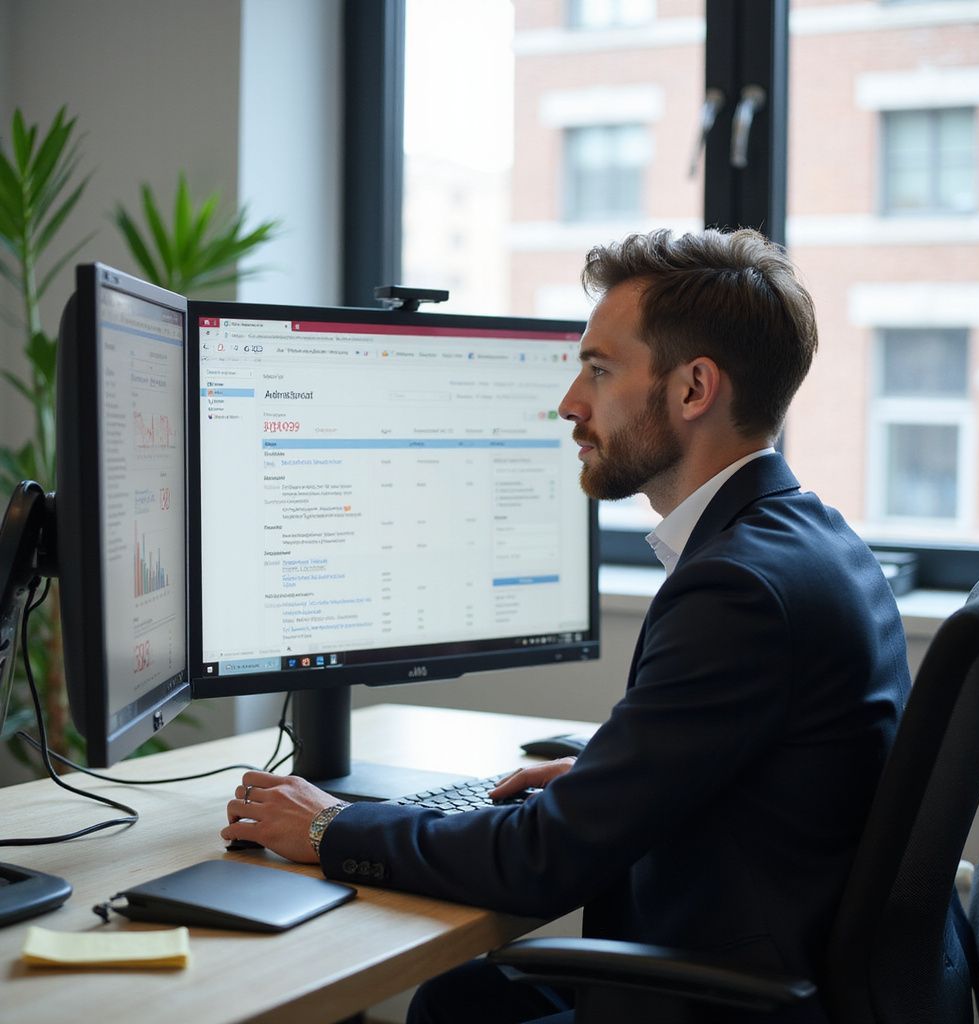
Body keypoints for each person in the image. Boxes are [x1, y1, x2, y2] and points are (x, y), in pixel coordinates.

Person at [222, 228, 911, 1024]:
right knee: (467, 999)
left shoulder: (738, 589)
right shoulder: (812, 538)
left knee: (457, 1010)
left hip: (734, 1000)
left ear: (693, 389)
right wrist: (612, 779)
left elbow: (539, 864)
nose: (569, 404)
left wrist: (333, 827)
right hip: (791, 955)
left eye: (599, 369)